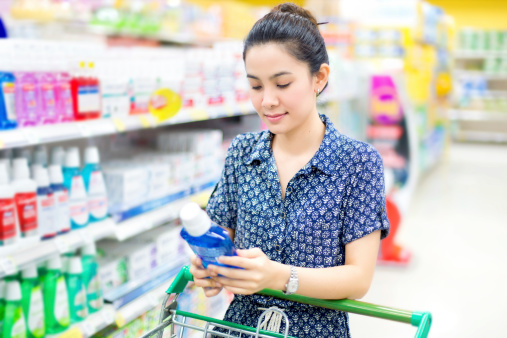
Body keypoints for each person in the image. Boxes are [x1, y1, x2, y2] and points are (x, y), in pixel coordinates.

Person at [189, 3, 390, 337]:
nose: (267, 100)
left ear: (319, 78)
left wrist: (276, 277)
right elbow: (222, 241)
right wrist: (211, 266)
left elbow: (358, 280)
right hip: (238, 329)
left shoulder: (358, 162)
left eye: (282, 84)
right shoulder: (242, 153)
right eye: (256, 86)